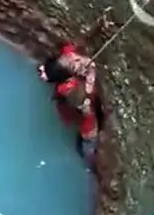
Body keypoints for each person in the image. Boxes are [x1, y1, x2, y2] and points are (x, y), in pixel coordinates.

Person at [38, 41, 106, 172]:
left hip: (88, 123)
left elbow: (84, 104)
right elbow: (75, 45)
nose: (41, 72)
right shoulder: (68, 56)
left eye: (45, 72)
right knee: (80, 141)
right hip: (85, 112)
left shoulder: (69, 89)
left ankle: (92, 166)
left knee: (86, 144)